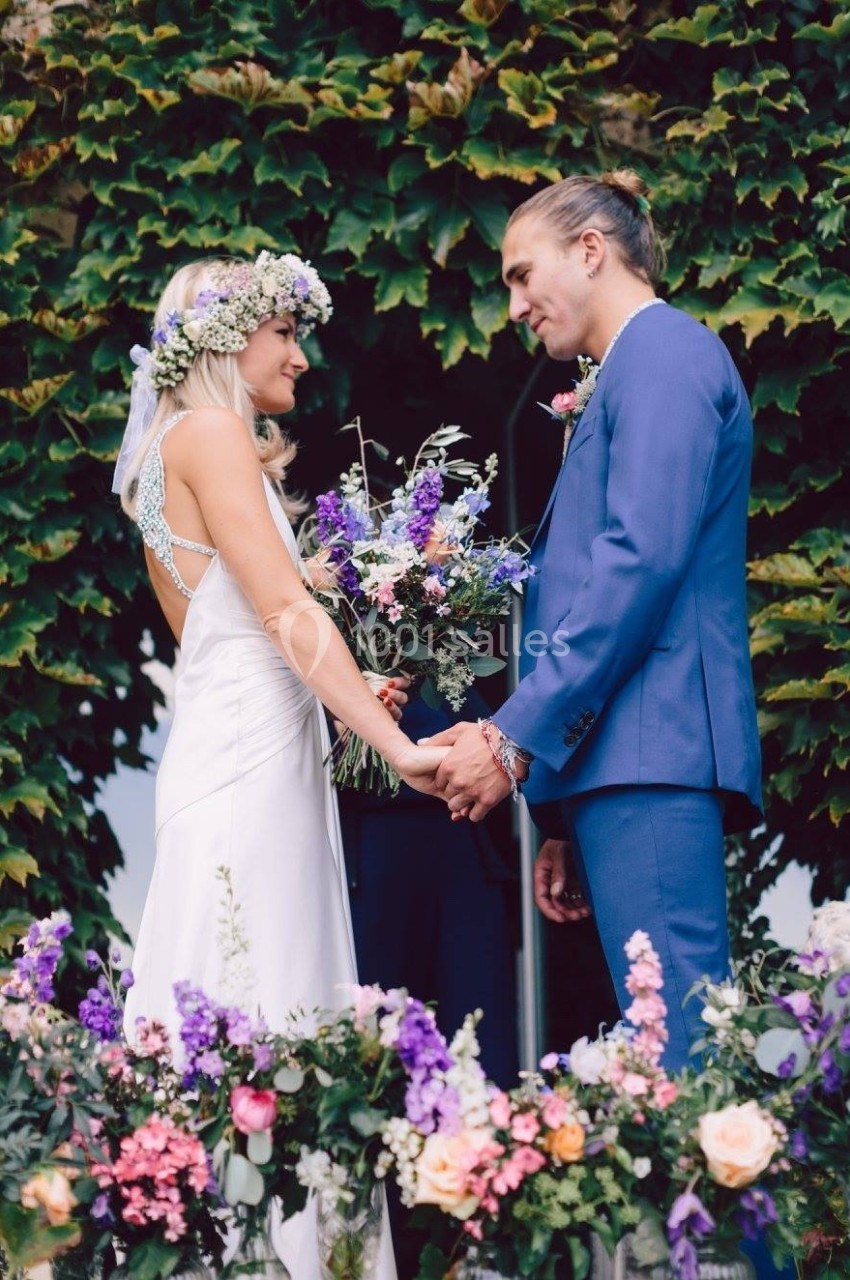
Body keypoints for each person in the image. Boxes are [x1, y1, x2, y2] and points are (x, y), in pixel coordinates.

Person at [115, 250, 444, 1278]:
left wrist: (339, 702)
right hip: (251, 780)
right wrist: (394, 745)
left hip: (227, 760)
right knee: (273, 1003)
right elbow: (286, 614)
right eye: (285, 333)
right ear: (225, 336)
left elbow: (227, 643)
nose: (301, 355)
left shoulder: (169, 452)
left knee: (230, 998)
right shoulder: (212, 433)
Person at [429, 169, 763, 1073]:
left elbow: (637, 564)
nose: (515, 306)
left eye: (519, 274)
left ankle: (735, 1220)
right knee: (666, 1049)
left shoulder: (663, 355)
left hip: (653, 749)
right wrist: (567, 818)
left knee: (687, 1055)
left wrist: (511, 741)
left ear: (590, 249)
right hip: (623, 762)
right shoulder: (628, 371)